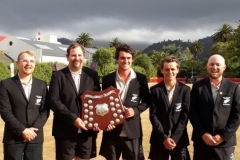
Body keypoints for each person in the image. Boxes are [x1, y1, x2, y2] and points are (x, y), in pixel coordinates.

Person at [49, 42, 101, 160]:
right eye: (73, 55)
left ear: (84, 56)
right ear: (67, 57)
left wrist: (98, 121)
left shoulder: (92, 75)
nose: (76, 58)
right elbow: (53, 101)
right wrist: (73, 119)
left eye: (79, 55)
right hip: (65, 131)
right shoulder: (58, 76)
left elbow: (98, 100)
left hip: (87, 131)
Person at [99, 43, 149, 160]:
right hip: (111, 131)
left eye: (128, 58)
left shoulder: (140, 79)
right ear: (117, 59)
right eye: (122, 58)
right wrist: (105, 121)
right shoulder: (107, 79)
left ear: (132, 59)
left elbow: (147, 101)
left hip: (132, 131)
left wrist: (135, 110)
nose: (125, 61)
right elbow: (102, 104)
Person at [0, 50, 49, 160]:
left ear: (35, 64)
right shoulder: (6, 84)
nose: (29, 64)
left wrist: (33, 131)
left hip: (35, 139)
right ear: (18, 63)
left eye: (32, 61)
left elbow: (45, 110)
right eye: (25, 61)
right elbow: (5, 112)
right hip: (13, 138)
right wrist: (23, 130)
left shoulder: (41, 85)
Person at [189, 54, 240, 160]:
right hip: (202, 142)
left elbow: (237, 115)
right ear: (207, 66)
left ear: (224, 67)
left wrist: (223, 136)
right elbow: (193, 112)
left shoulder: (234, 88)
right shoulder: (198, 86)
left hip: (225, 144)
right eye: (211, 64)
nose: (214, 67)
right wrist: (203, 134)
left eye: (218, 64)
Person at [148, 55, 191, 160]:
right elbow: (153, 116)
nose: (170, 72)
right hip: (159, 139)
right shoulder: (155, 90)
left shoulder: (185, 90)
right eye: (167, 69)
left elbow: (184, 116)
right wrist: (164, 138)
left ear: (177, 70)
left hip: (179, 139)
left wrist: (174, 138)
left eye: (173, 69)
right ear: (162, 70)